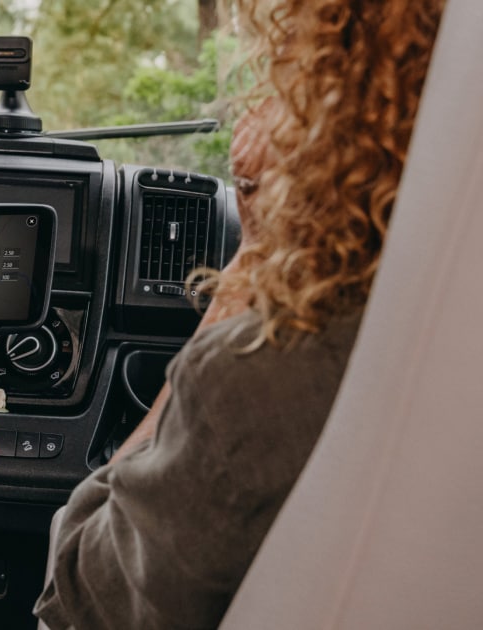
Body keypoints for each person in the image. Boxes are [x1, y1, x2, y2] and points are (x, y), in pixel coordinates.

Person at [34, 0, 446, 627]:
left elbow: (72, 606)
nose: (255, 111)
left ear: (337, 120)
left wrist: (242, 281)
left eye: (284, 78)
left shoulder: (258, 378)